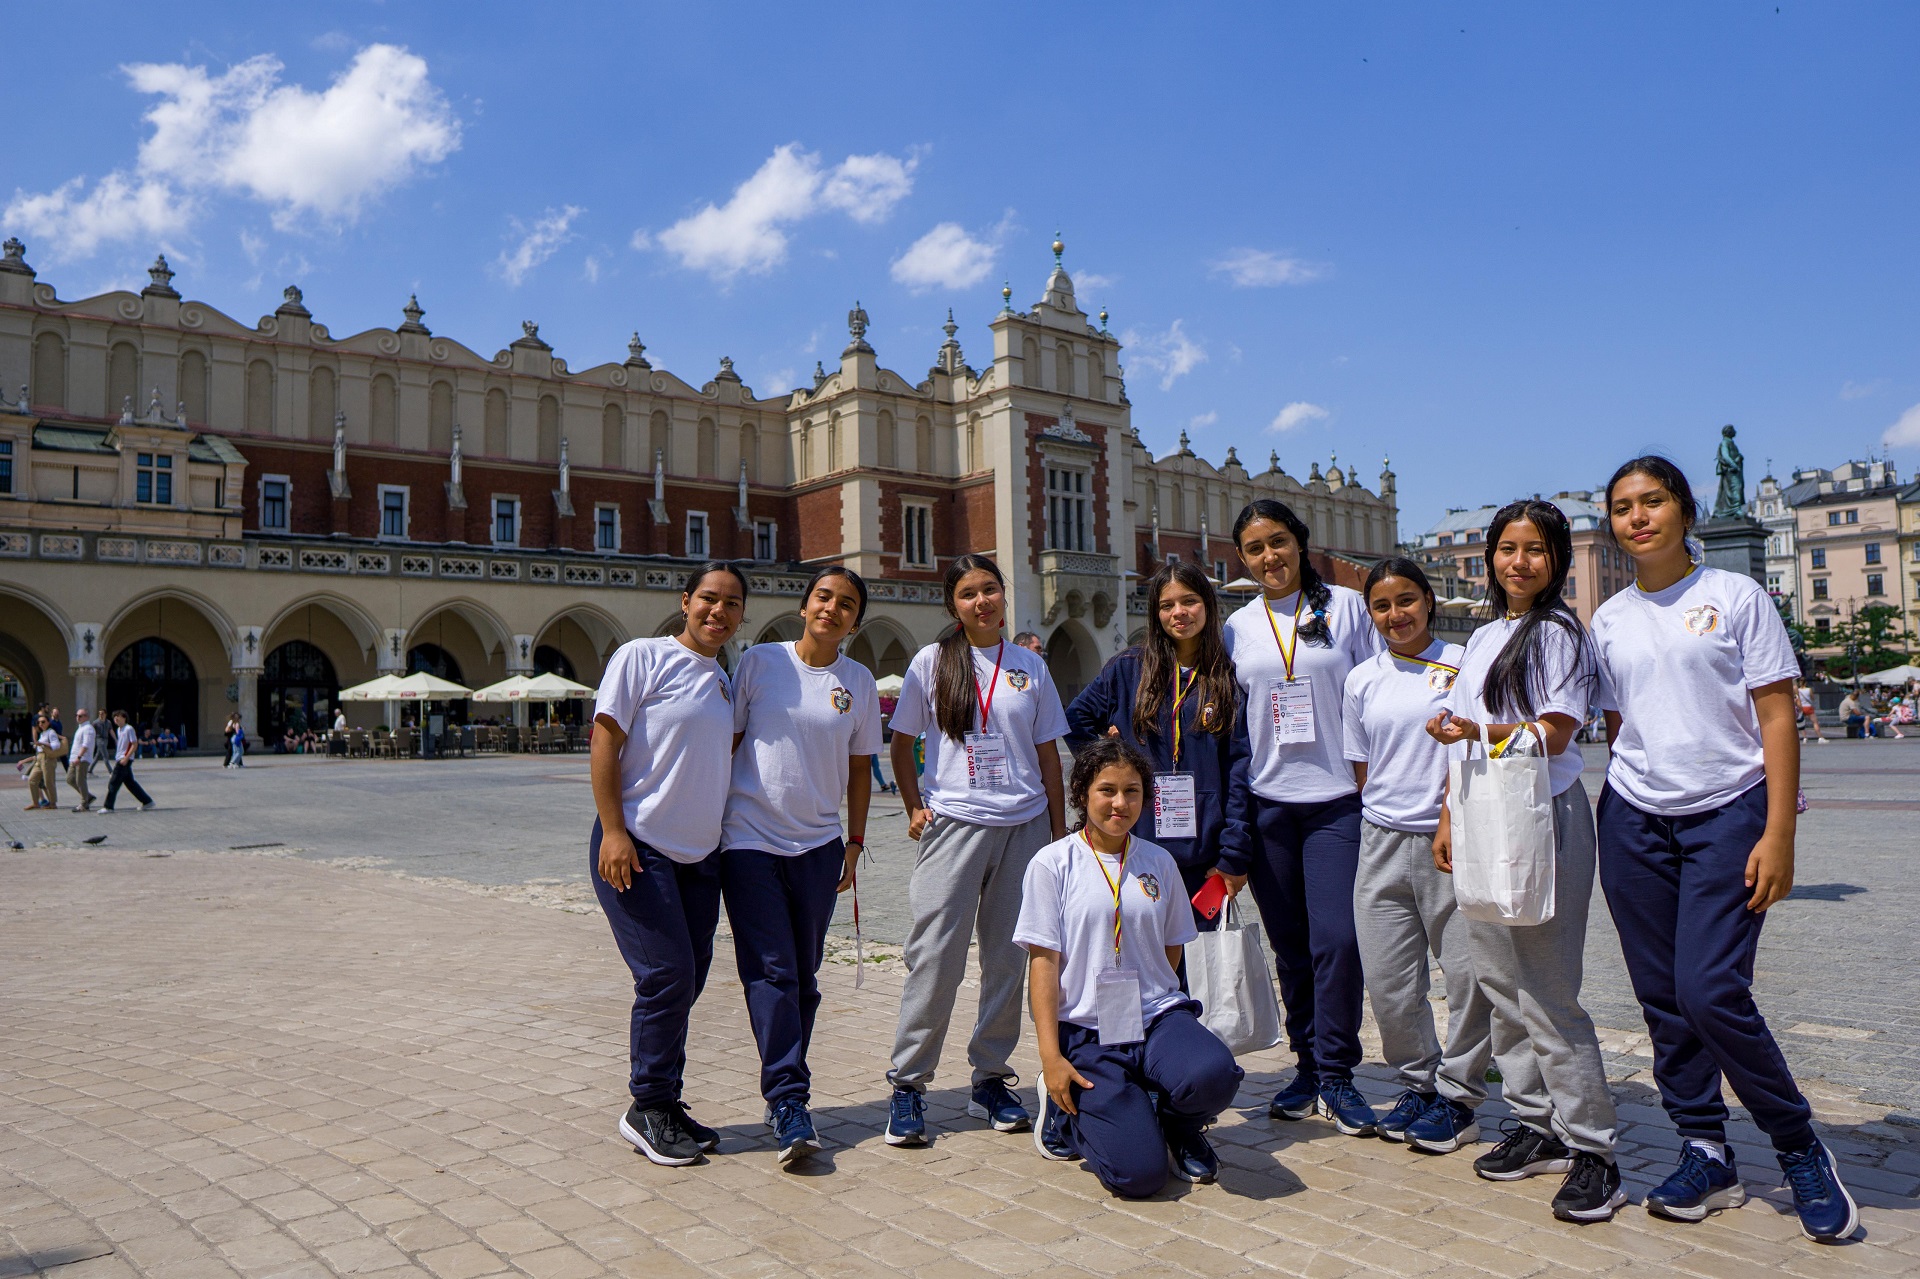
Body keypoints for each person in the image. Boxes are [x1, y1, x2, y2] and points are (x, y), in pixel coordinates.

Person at [1593, 457, 1857, 1241]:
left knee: (1710, 989)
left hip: (1729, 812)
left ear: (1684, 508)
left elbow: (1777, 714)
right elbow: (1618, 725)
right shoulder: (1608, 617)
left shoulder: (1734, 596)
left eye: (1653, 501)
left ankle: (1797, 1141)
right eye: (1622, 507)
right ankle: (1705, 1147)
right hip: (1634, 817)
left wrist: (1780, 831)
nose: (1638, 517)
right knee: (1663, 1000)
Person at [1426, 499, 1621, 1223]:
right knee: (1499, 982)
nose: (1518, 561)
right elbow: (1460, 736)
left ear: (1556, 559)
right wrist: (1448, 813)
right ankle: (1537, 1121)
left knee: (1548, 988)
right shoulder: (1481, 639)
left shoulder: (1562, 634)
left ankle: (1594, 1147)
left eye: (1534, 549)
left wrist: (1479, 727)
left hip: (1545, 813)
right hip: (1480, 811)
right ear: (1489, 558)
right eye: (1507, 548)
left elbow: (1558, 729)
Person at [883, 554, 1068, 1147]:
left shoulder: (1030, 667)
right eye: (969, 593)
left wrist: (1059, 835)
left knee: (1009, 961)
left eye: (990, 589)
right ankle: (909, 1084)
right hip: (956, 824)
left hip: (1025, 826)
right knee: (935, 956)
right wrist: (915, 806)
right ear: (953, 605)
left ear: (1003, 596)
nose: (982, 601)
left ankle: (990, 1077)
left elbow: (1047, 757)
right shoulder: (931, 662)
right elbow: (903, 741)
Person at [1215, 499, 1385, 1135]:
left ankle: (1339, 1073)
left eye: (1278, 542)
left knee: (1337, 940)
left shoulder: (1345, 607)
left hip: (1338, 800)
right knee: (1291, 948)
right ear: (1244, 559)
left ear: (1300, 542)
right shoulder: (1237, 627)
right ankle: (1308, 1064)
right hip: (1268, 805)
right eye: (1255, 548)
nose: (1269, 557)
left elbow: (1377, 687)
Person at [1018, 737, 1244, 1196]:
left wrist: (1154, 997)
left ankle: (1178, 1125)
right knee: (1137, 1177)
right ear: (1083, 793)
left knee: (1215, 1074)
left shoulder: (1158, 861)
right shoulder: (1053, 864)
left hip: (1156, 1017)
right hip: (1087, 1030)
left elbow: (1170, 949)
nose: (1120, 803)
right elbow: (1043, 963)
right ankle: (1065, 1113)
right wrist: (1051, 1055)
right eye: (1107, 790)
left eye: (1133, 791)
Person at [720, 567, 881, 1165]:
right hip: (748, 841)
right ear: (804, 604)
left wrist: (856, 841)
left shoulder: (858, 682)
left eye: (845, 605)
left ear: (855, 621)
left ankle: (781, 1085)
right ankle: (789, 1098)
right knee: (771, 972)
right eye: (823, 598)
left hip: (818, 846)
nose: (832, 610)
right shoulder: (761, 663)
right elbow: (727, 742)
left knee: (805, 978)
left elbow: (860, 767)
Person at [589, 561, 746, 1166]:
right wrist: (612, 831)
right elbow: (605, 740)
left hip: (699, 859)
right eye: (709, 598)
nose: (719, 612)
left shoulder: (724, 679)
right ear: (685, 601)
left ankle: (668, 1100)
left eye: (732, 604)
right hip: (639, 845)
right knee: (667, 976)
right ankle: (647, 1105)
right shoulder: (641, 657)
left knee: (688, 980)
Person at [1342, 558, 1492, 1152]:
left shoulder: (1461, 666)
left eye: (1406, 600)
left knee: (1466, 975)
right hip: (1380, 839)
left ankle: (1461, 1095)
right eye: (1381, 605)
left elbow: (1476, 749)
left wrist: (1447, 816)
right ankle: (1418, 1083)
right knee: (1389, 982)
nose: (1395, 614)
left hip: (1449, 840)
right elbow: (1361, 763)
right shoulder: (1362, 679)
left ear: (1429, 601)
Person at [1065, 560, 1248, 926]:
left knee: (1199, 968)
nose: (1179, 612)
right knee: (1139, 958)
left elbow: (1239, 771)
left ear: (1208, 606)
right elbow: (1075, 719)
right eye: (1167, 605)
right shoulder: (1128, 668)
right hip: (1136, 846)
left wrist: (1234, 853)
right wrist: (1109, 760)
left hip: (1204, 855)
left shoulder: (1226, 676)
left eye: (1190, 601)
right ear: (1156, 612)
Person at [102, 710, 156, 812]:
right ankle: (147, 801)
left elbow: (134, 744)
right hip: (120, 758)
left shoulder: (129, 729)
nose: (116, 719)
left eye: (118, 716)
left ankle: (108, 806)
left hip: (124, 760)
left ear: (124, 718)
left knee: (113, 782)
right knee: (131, 784)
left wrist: (126, 758)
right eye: (114, 717)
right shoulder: (119, 729)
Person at [26, 714, 62, 810]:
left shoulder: (51, 732)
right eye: (39, 722)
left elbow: (56, 745)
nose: (40, 724)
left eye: (43, 722)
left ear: (48, 722)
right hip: (39, 758)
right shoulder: (42, 733)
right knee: (32, 780)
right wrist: (37, 745)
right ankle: (35, 802)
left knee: (48, 781)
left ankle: (53, 803)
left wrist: (42, 743)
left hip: (48, 758)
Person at [66, 710, 96, 811]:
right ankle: (88, 796)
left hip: (82, 759)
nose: (78, 717)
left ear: (86, 717)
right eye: (77, 715)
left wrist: (79, 757)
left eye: (80, 716)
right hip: (74, 758)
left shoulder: (88, 728)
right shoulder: (80, 728)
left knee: (80, 780)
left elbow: (86, 744)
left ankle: (84, 803)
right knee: (70, 779)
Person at [1795, 680, 1826, 744]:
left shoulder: (1797, 690)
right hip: (1808, 707)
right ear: (1805, 683)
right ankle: (1820, 737)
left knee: (1801, 723)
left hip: (1801, 707)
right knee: (1815, 722)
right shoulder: (1809, 689)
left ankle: (1804, 738)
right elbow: (1812, 698)